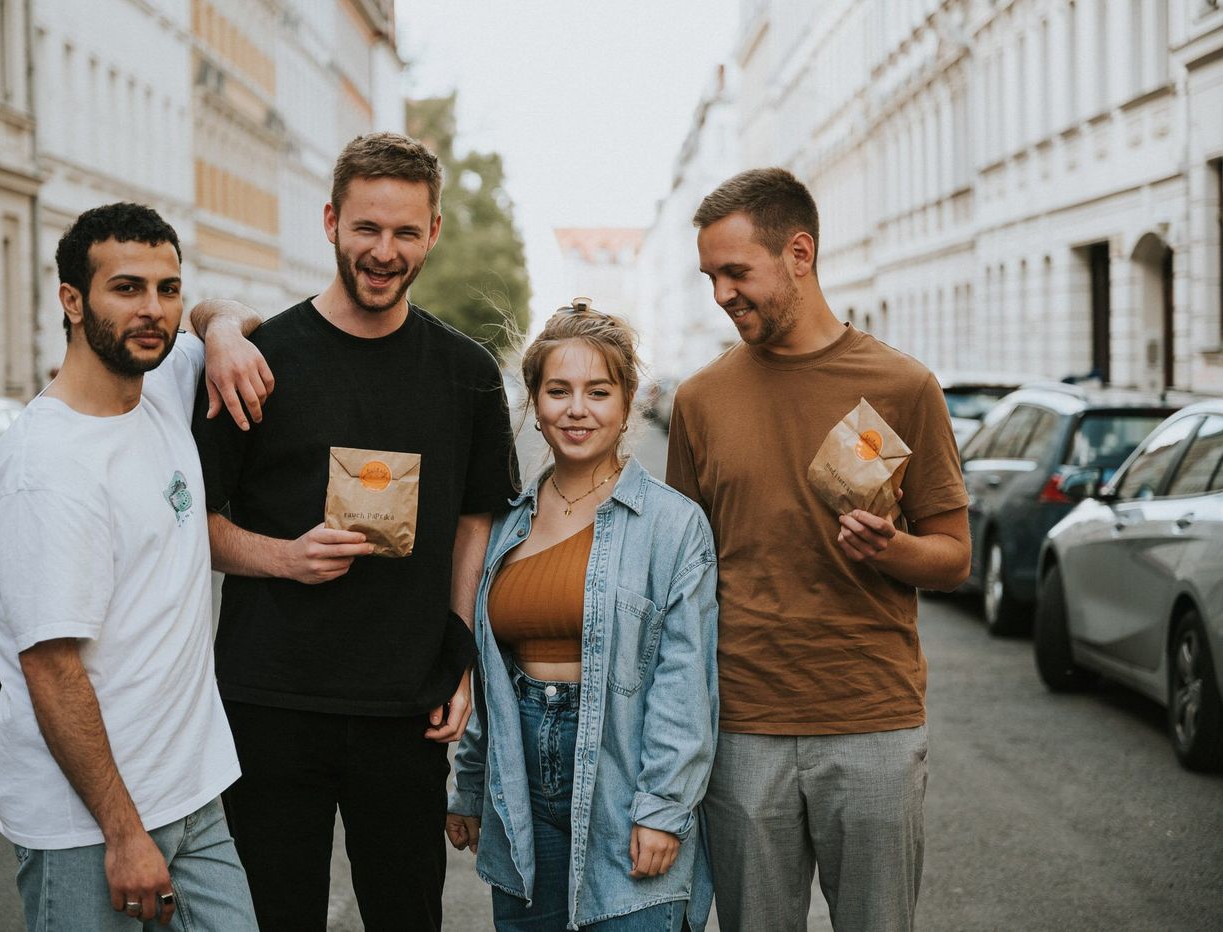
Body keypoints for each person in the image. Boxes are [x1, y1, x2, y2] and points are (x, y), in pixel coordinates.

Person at [191, 132, 519, 931]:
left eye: (406, 232)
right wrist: (285, 558)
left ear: (433, 233)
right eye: (367, 229)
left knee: (407, 916)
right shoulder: (259, 360)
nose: (384, 251)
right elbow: (192, 525)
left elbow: (477, 515)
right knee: (277, 917)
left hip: (403, 707)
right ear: (332, 221)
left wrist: (458, 643)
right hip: (268, 699)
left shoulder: (467, 373)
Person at [666, 168, 971, 931]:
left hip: (871, 719)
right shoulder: (699, 401)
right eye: (710, 276)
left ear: (799, 253)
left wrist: (892, 548)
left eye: (737, 272)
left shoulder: (903, 386)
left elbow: (954, 555)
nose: (721, 294)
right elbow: (679, 574)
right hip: (741, 727)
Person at [0, 202, 271, 931]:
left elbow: (227, 312)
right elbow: (52, 668)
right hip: (91, 826)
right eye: (127, 288)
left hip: (192, 797)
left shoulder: (162, 384)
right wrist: (123, 833)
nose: (154, 311)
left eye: (166, 289)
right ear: (72, 301)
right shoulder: (47, 469)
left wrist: (223, 331)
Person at [445, 301, 719, 931]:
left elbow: (686, 682)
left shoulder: (672, 527)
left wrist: (663, 808)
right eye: (558, 391)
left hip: (626, 787)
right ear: (534, 404)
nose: (577, 409)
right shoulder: (508, 522)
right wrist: (471, 783)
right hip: (519, 789)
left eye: (598, 391)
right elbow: (491, 677)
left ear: (628, 402)